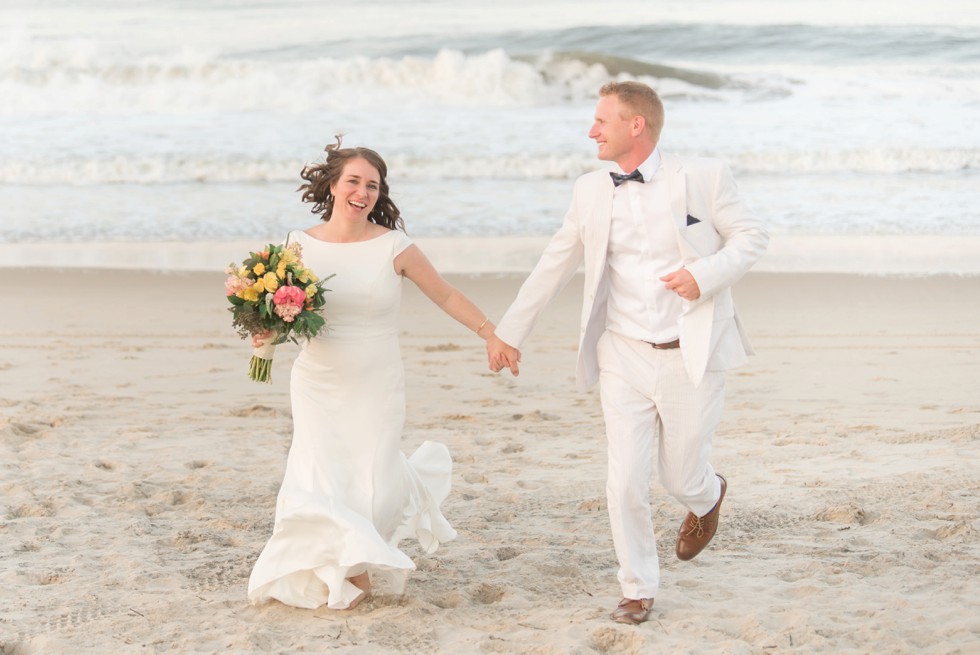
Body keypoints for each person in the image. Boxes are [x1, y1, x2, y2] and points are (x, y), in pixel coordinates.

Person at [486, 81, 769, 625]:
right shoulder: (590, 189)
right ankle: (638, 587)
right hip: (622, 353)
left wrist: (701, 275)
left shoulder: (704, 177)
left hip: (692, 350)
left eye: (601, 120)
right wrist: (509, 332)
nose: (591, 130)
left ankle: (707, 497)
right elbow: (556, 262)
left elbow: (751, 237)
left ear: (635, 125)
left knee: (681, 475)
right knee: (623, 481)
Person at [247, 138, 499, 611]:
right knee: (320, 478)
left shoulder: (394, 247)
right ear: (333, 186)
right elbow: (276, 308)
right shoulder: (295, 246)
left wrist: (490, 333)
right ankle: (351, 570)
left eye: (373, 185)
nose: (362, 192)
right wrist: (264, 340)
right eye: (354, 182)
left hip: (377, 383)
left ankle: (355, 552)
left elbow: (444, 295)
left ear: (379, 195)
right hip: (318, 381)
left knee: (377, 485)